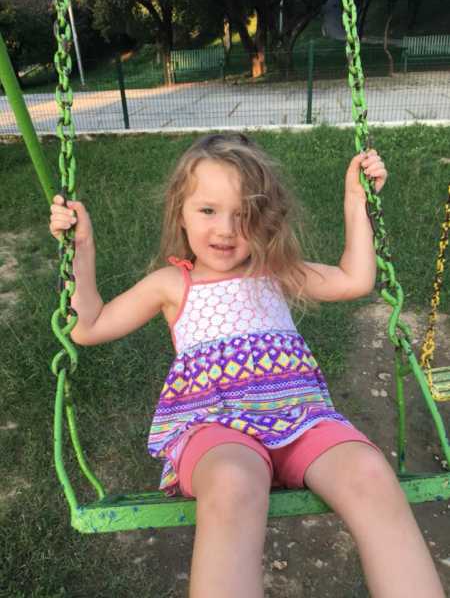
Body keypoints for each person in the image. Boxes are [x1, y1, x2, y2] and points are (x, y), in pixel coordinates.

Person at [49, 133, 445, 598]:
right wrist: (82, 247)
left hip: (301, 418)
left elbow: (355, 280)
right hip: (215, 428)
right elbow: (88, 325)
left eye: (245, 214)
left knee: (370, 472)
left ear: (266, 220)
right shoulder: (172, 284)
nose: (226, 229)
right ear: (180, 210)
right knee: (235, 482)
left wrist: (356, 199)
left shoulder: (276, 269)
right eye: (208, 210)